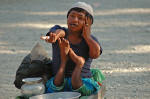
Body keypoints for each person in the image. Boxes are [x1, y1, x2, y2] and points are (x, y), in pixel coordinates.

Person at [42, 2, 103, 96]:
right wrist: (55, 36)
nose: (74, 19)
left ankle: (79, 64)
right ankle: (65, 60)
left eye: (80, 18)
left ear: (87, 23)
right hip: (59, 79)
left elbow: (95, 54)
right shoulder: (58, 30)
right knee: (54, 87)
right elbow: (60, 32)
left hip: (83, 80)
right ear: (67, 18)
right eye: (72, 16)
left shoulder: (91, 40)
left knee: (79, 87)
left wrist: (87, 36)